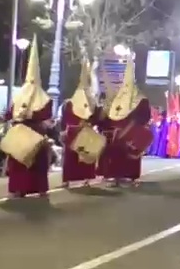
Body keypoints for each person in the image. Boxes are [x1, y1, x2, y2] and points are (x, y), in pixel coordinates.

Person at [5, 39, 54, 198]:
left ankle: (39, 188)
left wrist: (32, 115)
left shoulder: (44, 97)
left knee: (37, 162)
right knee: (19, 161)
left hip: (36, 132)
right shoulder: (19, 96)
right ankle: (19, 188)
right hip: (20, 131)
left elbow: (46, 114)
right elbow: (10, 112)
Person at [99, 56, 153, 186]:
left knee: (130, 155)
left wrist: (134, 124)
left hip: (131, 133)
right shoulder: (118, 99)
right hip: (118, 134)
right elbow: (112, 115)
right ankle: (115, 176)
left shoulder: (141, 100)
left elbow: (145, 116)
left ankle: (131, 177)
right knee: (117, 155)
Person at [61, 63, 101, 188]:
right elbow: (65, 118)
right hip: (72, 132)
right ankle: (67, 179)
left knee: (85, 155)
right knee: (70, 158)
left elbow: (95, 118)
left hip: (85, 132)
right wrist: (64, 130)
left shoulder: (92, 104)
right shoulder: (70, 103)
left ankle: (87, 178)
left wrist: (89, 123)